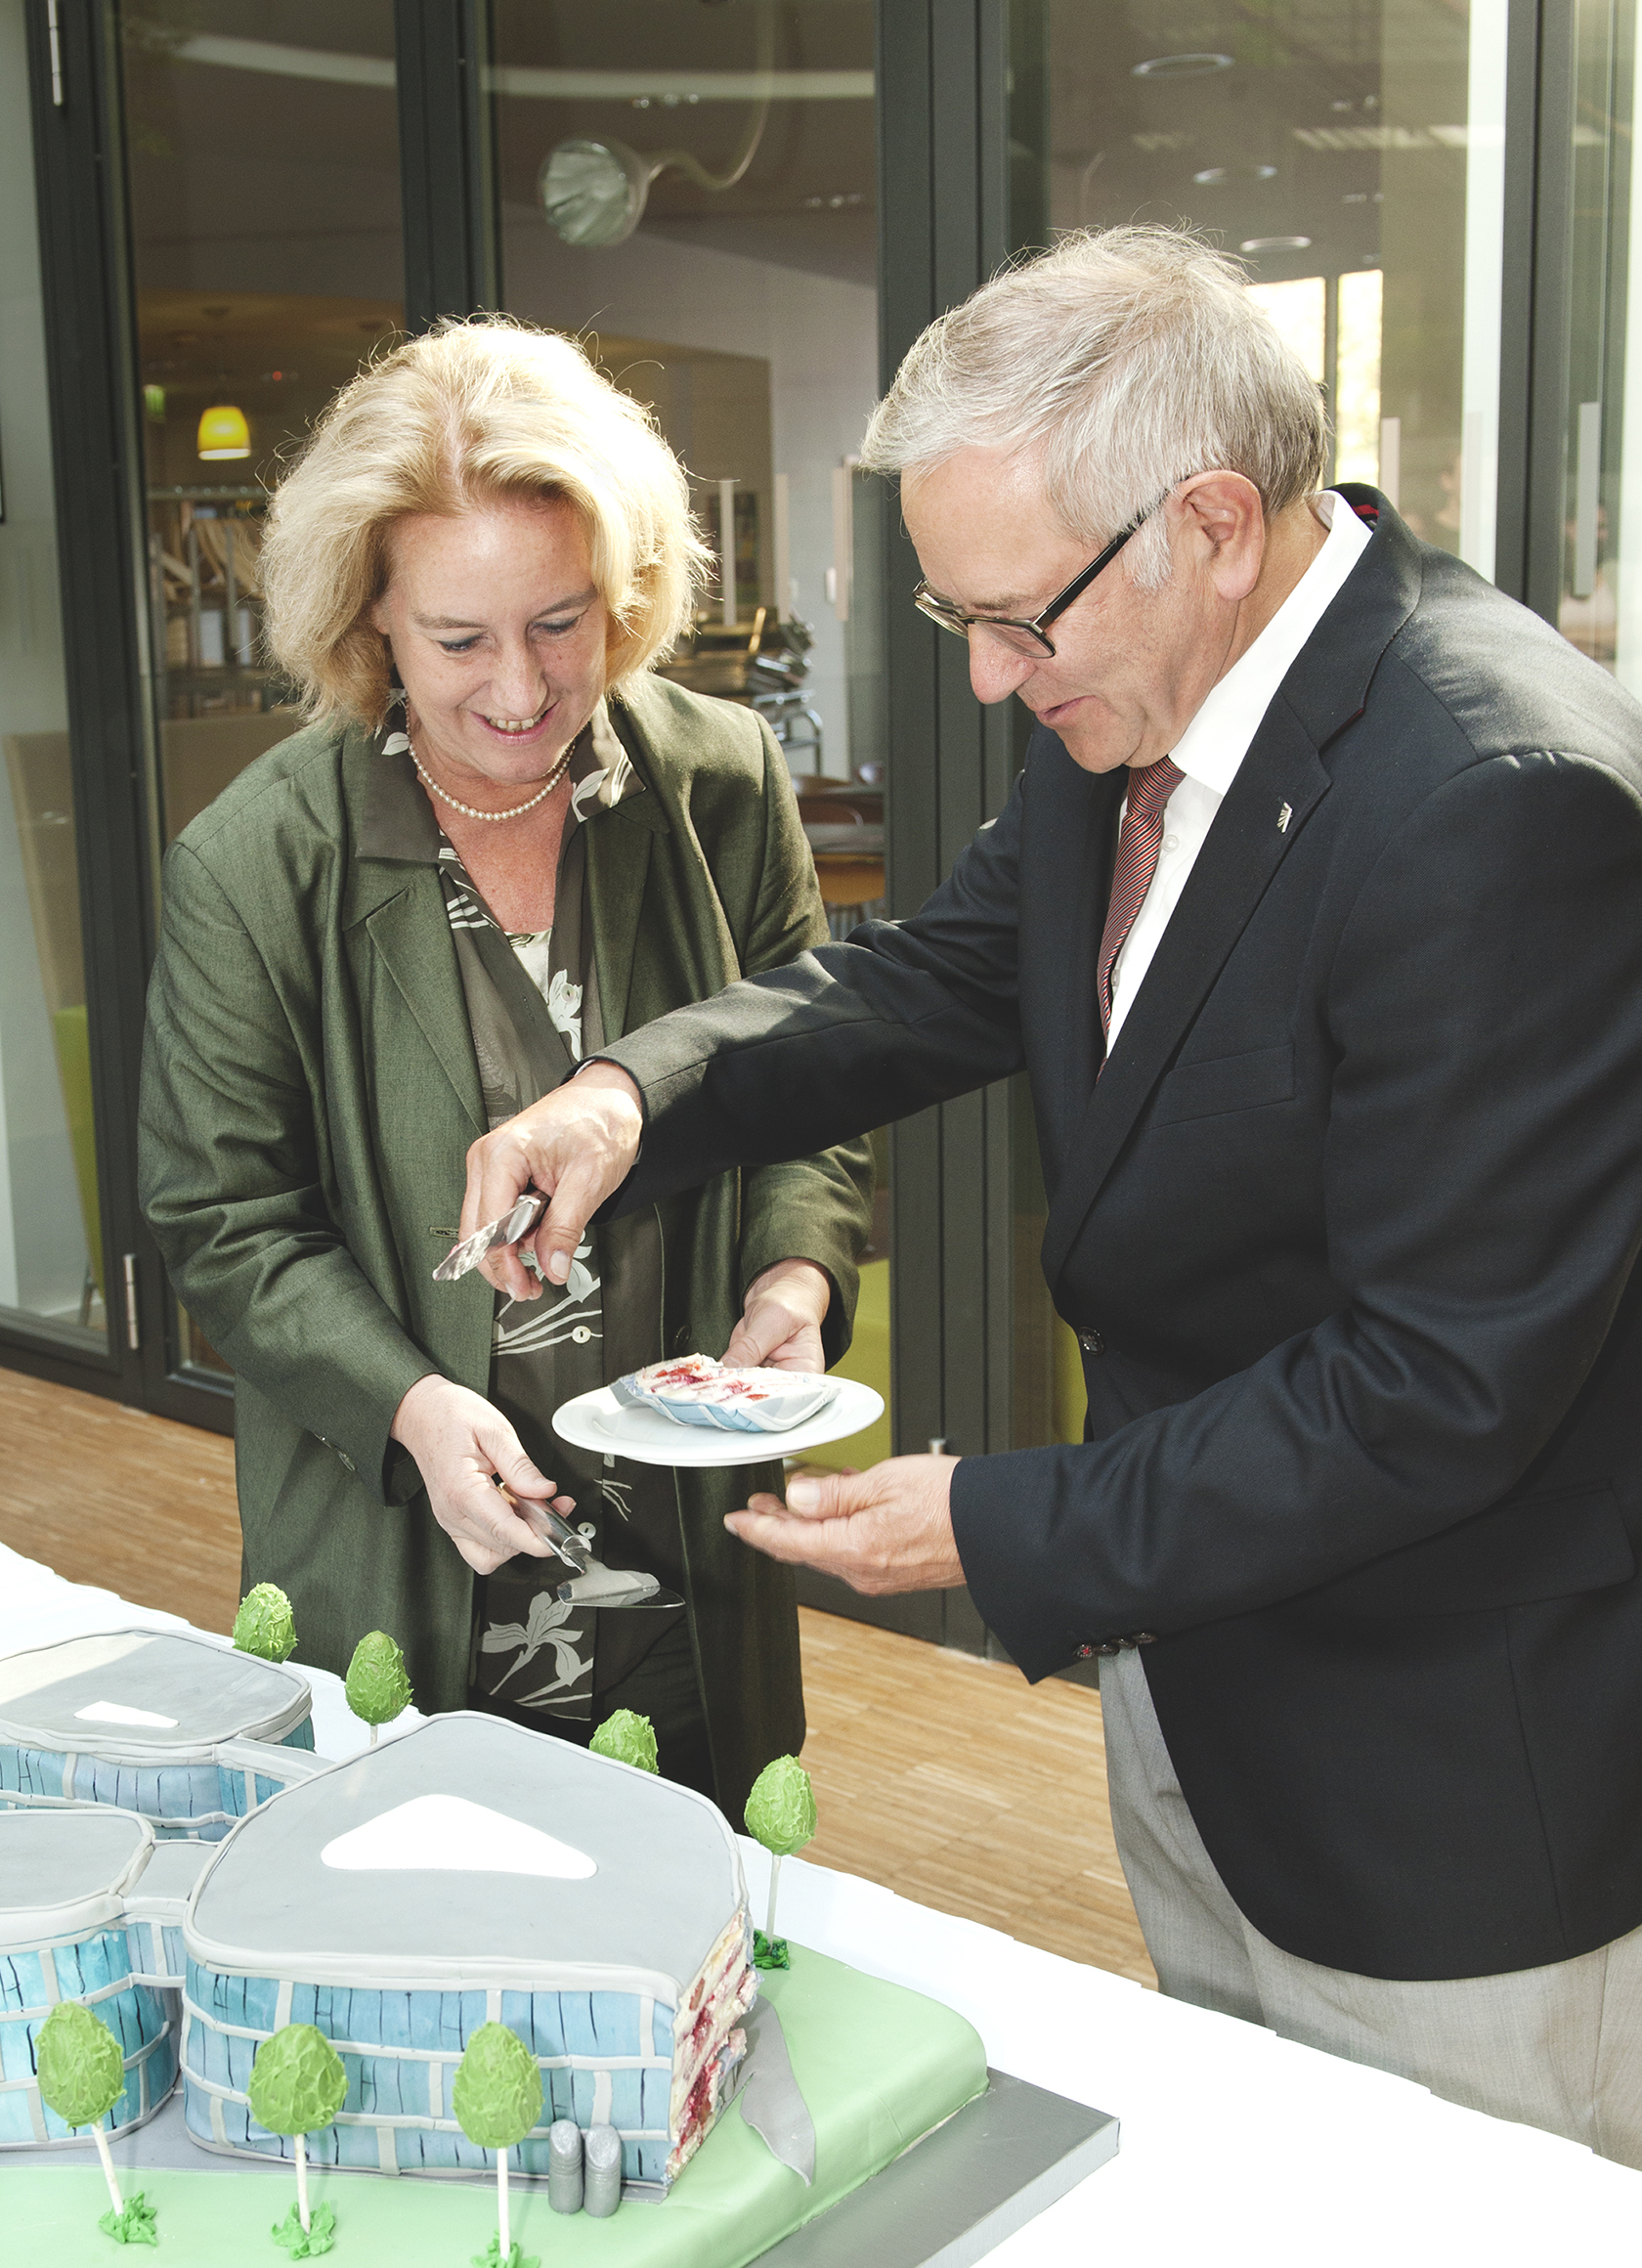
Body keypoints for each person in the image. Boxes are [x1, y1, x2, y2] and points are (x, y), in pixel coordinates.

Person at [454, 226, 1642, 2165]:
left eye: (1019, 623)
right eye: (961, 630)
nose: (998, 682)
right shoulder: (1144, 695)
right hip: (1204, 1696)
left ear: (1212, 522)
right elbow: (932, 970)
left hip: (1441, 1795)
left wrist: (994, 1524)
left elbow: (1433, 1386)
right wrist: (626, 1097)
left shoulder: (1495, 805)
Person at [138, 319, 871, 1819]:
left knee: (696, 1952)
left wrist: (796, 1284)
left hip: (685, 1545)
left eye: (560, 622)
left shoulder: (721, 785)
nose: (524, 689)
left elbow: (813, 1085)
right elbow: (225, 1223)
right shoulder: (255, 865)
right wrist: (408, 1404)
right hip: (416, 1541)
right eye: (458, 640)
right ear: (369, 628)